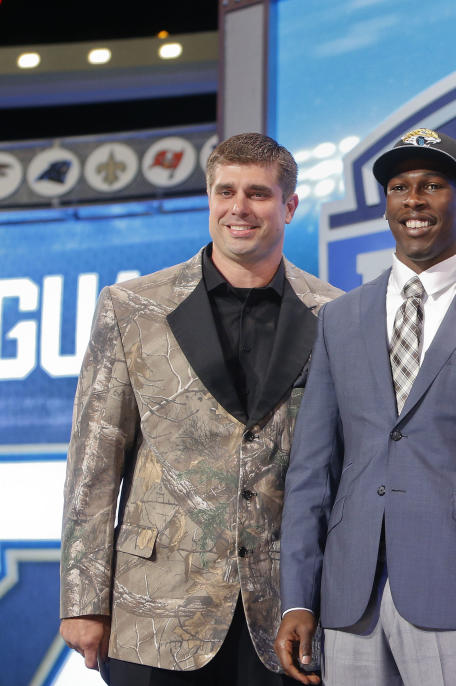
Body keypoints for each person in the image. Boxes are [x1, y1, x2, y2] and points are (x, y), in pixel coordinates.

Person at [275, 128, 456, 686]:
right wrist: (296, 601)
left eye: (432, 185)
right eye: (399, 187)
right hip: (348, 605)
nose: (414, 200)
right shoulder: (340, 318)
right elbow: (312, 472)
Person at [59, 132, 342, 685]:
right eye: (225, 191)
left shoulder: (336, 314)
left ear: (290, 207)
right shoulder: (133, 307)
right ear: (209, 199)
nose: (239, 208)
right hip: (155, 610)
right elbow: (94, 461)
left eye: (258, 194)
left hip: (286, 614)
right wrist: (82, 599)